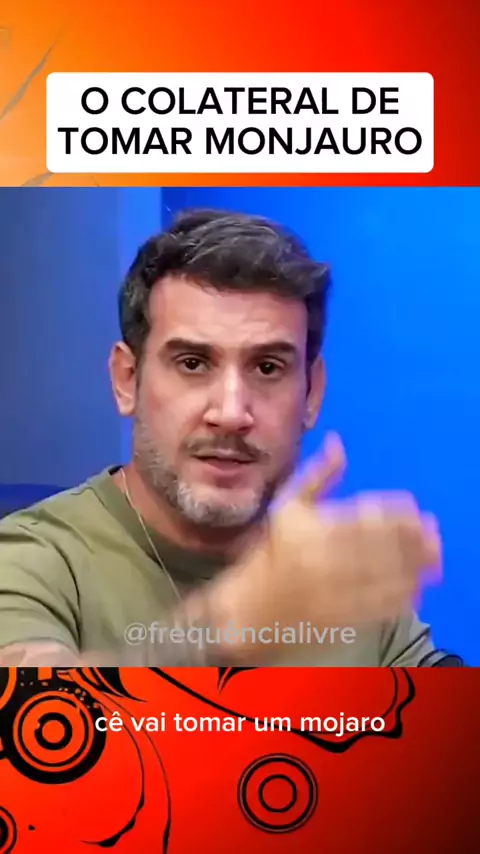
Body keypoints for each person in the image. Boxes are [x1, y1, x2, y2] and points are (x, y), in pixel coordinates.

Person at [0, 208, 446, 667]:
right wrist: (229, 626)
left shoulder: (333, 582)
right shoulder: (30, 560)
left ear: (312, 392)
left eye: (267, 368)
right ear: (126, 379)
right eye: (192, 363)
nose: (231, 414)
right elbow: (31, 706)